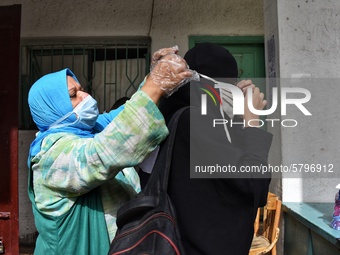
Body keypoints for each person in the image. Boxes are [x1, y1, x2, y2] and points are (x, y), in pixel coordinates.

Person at [27, 47, 193, 255]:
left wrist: (151, 79)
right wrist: (154, 85)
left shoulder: (91, 129)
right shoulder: (49, 155)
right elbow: (103, 154)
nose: (84, 95)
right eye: (73, 94)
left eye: (81, 88)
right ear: (52, 108)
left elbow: (123, 116)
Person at [158, 43, 273, 255]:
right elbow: (254, 186)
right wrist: (252, 123)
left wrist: (237, 118)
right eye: (231, 83)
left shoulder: (179, 114)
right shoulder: (196, 121)